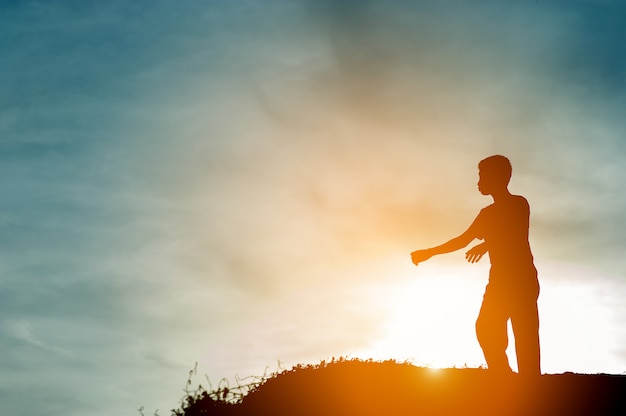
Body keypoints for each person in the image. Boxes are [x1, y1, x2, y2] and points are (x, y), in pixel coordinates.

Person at [410, 155, 541, 376]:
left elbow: (514, 232)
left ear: (499, 177)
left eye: (482, 176)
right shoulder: (486, 214)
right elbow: (462, 240)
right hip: (499, 282)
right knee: (486, 328)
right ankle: (504, 377)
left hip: (521, 280)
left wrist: (486, 245)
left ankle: (531, 383)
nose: (479, 181)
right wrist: (429, 253)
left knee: (525, 335)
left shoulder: (519, 203)